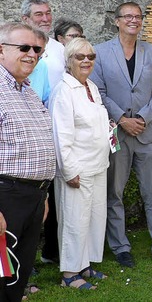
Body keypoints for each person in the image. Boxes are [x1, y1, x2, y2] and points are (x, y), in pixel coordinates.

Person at [90, 2, 152, 268]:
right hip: (117, 133)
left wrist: (141, 118)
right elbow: (99, 91)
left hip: (146, 132)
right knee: (114, 194)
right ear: (116, 21)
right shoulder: (101, 52)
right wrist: (121, 119)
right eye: (128, 16)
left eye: (138, 17)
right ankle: (120, 248)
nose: (134, 20)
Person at [0, 22, 56, 302]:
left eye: (37, 49)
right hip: (5, 198)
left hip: (33, 197)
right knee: (1, 274)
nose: (32, 54)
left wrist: (42, 194)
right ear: (1, 50)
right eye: (23, 47)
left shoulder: (29, 92)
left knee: (17, 275)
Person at [49, 38, 110, 290]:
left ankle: (85, 264)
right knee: (74, 220)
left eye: (90, 57)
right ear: (69, 60)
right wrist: (69, 170)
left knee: (94, 218)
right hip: (78, 169)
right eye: (80, 57)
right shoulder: (64, 91)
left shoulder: (91, 87)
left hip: (98, 165)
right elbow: (61, 135)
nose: (86, 61)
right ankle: (70, 273)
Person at [21, 0, 66, 266]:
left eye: (48, 13)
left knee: (51, 198)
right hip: (25, 132)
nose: (46, 18)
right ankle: (25, 260)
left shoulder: (59, 50)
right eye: (39, 14)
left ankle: (51, 251)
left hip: (53, 131)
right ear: (26, 19)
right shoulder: (20, 48)